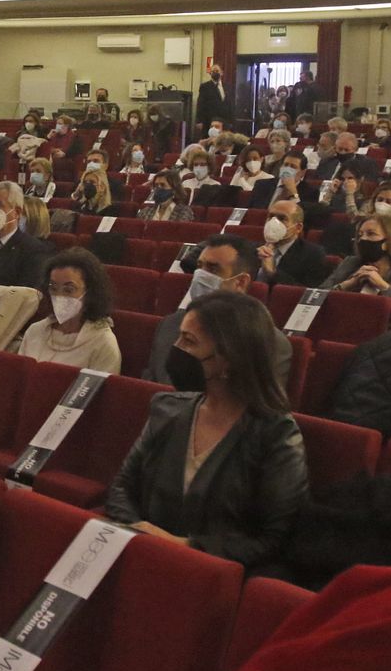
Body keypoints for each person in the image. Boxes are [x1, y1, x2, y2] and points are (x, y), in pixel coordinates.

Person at [110, 291, 307, 571]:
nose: (176, 349)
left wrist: (185, 547)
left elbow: (275, 539)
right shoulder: (168, 409)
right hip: (141, 556)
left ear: (229, 357)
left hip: (213, 575)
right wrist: (136, 532)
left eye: (189, 342)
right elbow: (121, 487)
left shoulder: (275, 434)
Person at [144, 234, 292, 386]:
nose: (200, 275)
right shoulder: (170, 324)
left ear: (240, 282)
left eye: (213, 269)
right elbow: (149, 387)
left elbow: (259, 405)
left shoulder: (269, 344)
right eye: (200, 267)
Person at [18, 248, 121, 373]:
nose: (59, 296)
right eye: (53, 288)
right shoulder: (35, 331)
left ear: (90, 293)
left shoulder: (103, 344)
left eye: (69, 290)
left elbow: (98, 391)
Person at [321, 215, 391, 308]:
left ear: (390, 241)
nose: (362, 239)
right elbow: (315, 297)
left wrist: (383, 287)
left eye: (371, 234)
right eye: (360, 235)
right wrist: (347, 284)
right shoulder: (350, 262)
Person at [259, 199, 328, 287]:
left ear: (298, 228)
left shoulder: (312, 254)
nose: (273, 222)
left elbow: (306, 293)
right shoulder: (254, 249)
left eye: (282, 218)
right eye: (271, 216)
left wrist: (273, 273)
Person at [248, 152, 317, 208]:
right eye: (285, 165)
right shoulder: (262, 185)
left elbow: (303, 217)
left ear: (302, 172)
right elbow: (251, 211)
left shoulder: (310, 192)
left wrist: (294, 194)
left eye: (293, 167)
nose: (287, 169)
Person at [197, 66, 230, 133]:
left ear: (221, 73)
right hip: (209, 120)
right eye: (213, 71)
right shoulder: (205, 86)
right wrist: (199, 121)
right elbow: (200, 104)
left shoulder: (227, 86)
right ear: (210, 73)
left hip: (224, 121)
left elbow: (230, 104)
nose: (215, 73)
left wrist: (231, 120)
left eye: (217, 71)